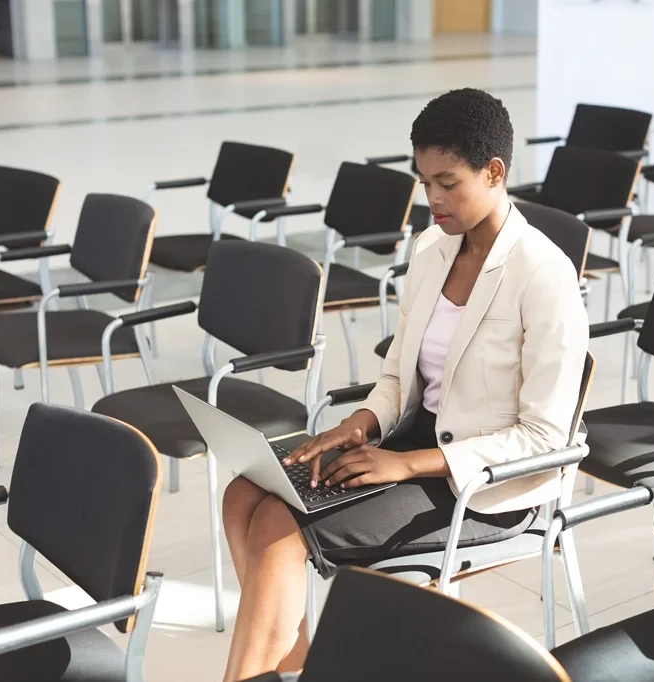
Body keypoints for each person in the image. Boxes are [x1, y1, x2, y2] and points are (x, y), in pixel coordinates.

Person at [219, 87, 589, 681]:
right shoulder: (431, 250)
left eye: (447, 183)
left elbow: (544, 436)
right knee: (242, 494)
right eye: (423, 182)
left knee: (276, 526)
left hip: (486, 486)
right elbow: (399, 374)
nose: (431, 199)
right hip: (412, 443)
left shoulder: (544, 275)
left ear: (495, 173)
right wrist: (359, 424)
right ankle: (292, 666)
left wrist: (410, 463)